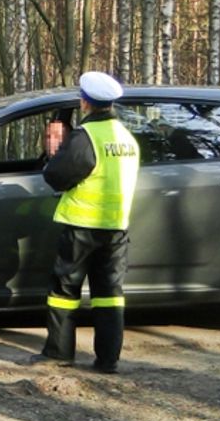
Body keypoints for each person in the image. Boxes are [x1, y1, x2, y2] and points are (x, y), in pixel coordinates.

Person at [30, 71, 140, 373]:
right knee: (109, 295)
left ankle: (59, 352)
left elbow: (57, 176)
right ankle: (108, 360)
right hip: (116, 227)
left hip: (82, 225)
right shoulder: (126, 138)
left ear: (85, 103)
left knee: (65, 292)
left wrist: (54, 155)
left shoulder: (86, 137)